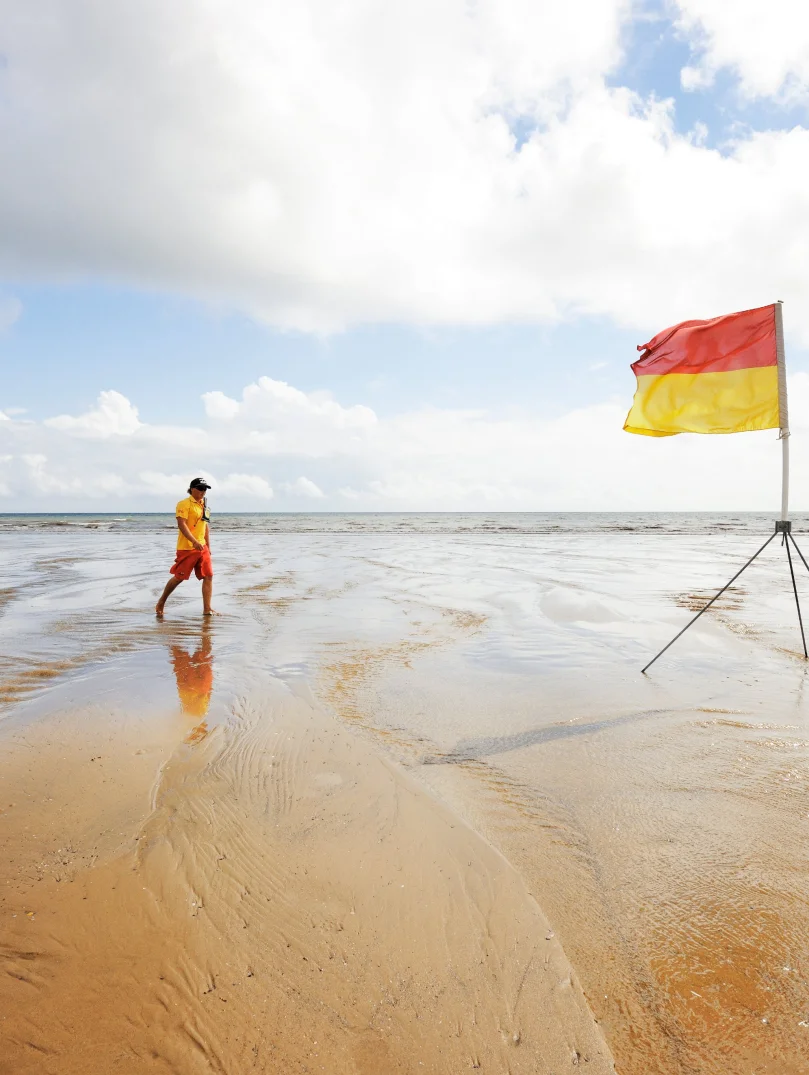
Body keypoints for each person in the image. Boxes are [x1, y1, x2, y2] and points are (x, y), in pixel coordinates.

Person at [155, 478, 215, 617]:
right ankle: (161, 602)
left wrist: (208, 546)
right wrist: (194, 541)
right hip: (188, 547)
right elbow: (182, 524)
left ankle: (207, 609)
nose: (203, 492)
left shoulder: (204, 505)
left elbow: (205, 526)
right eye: (200, 488)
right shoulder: (184, 504)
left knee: (208, 576)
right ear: (192, 489)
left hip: (202, 547)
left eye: (205, 489)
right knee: (179, 577)